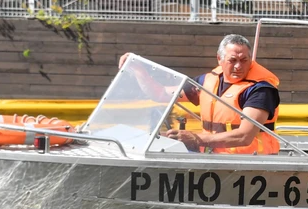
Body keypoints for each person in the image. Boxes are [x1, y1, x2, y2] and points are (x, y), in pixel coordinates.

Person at [119, 34, 281, 155]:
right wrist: (139, 70)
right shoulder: (207, 81)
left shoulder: (260, 90)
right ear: (220, 59)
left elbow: (244, 136)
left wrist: (196, 139)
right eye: (233, 60)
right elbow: (161, 94)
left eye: (244, 60)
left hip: (250, 162)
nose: (238, 66)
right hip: (213, 157)